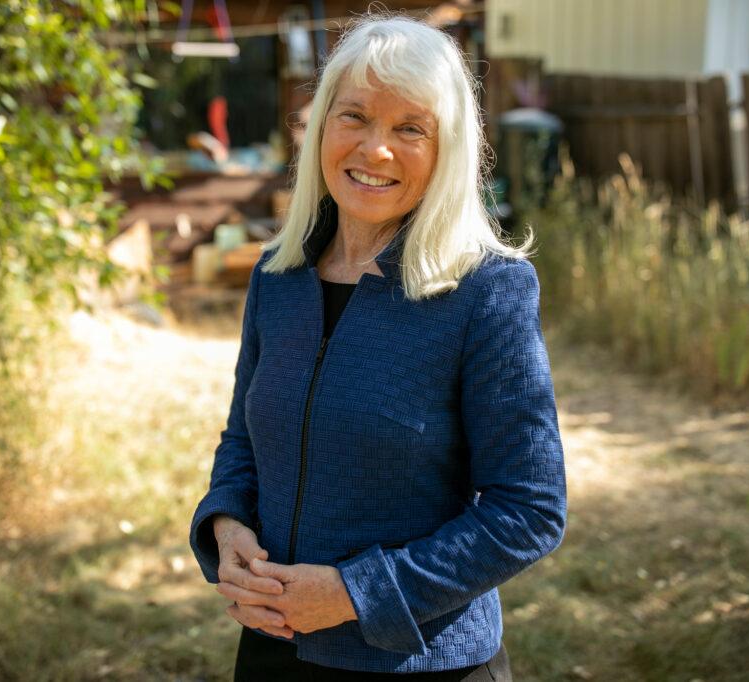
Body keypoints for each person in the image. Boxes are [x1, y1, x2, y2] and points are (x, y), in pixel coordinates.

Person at [188, 13, 567, 680]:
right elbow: (243, 441)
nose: (375, 149)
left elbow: (528, 511)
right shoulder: (279, 275)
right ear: (322, 126)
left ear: (447, 148)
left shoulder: (487, 293)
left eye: (409, 128)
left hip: (417, 663)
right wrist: (226, 526)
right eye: (355, 117)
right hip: (273, 650)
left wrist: (353, 594)